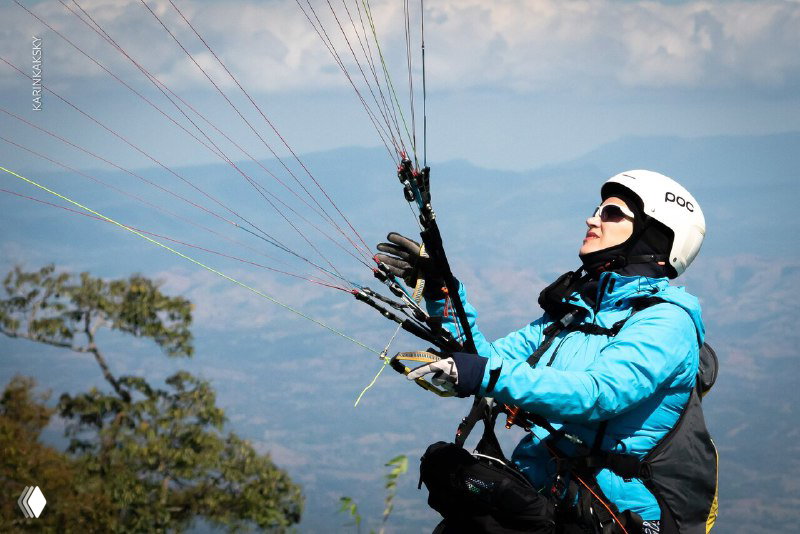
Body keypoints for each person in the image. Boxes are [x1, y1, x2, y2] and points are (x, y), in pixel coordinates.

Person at [376, 170, 717, 534]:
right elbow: (488, 359)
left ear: (655, 236)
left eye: (612, 213)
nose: (593, 219)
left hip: (615, 514)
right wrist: (442, 293)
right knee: (448, 478)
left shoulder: (667, 321)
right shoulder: (576, 309)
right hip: (552, 492)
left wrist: (484, 375)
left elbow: (599, 394)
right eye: (597, 209)